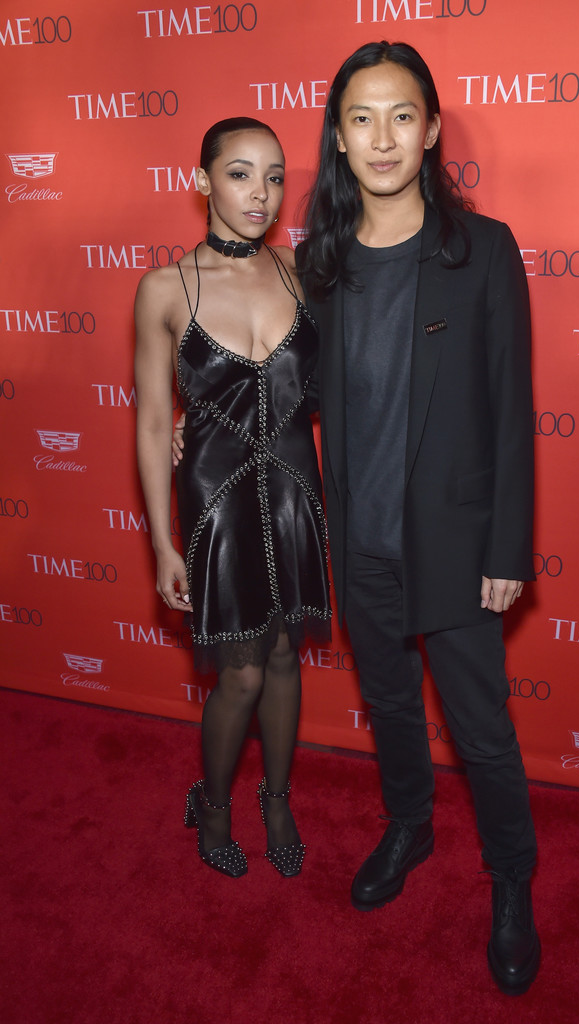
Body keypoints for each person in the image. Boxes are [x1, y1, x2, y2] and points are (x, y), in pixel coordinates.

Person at [295, 42, 540, 995]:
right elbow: (300, 394)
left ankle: (511, 882)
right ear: (339, 138)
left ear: (431, 129)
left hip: (456, 540)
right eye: (361, 118)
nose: (382, 137)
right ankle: (409, 827)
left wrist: (506, 547)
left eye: (402, 115)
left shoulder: (483, 250)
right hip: (359, 538)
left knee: (481, 730)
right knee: (392, 707)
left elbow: (511, 410)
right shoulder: (320, 262)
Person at [135, 117, 331, 881]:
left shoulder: (303, 271)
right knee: (242, 670)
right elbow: (155, 422)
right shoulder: (165, 288)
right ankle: (213, 805)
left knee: (283, 657)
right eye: (241, 173)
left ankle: (276, 801)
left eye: (275, 177)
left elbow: (335, 381)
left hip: (294, 490)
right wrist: (161, 542)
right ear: (201, 181)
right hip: (215, 498)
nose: (261, 193)